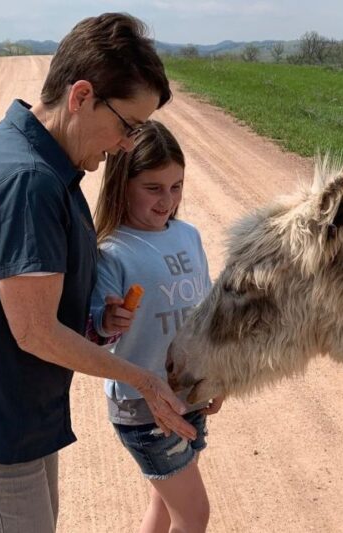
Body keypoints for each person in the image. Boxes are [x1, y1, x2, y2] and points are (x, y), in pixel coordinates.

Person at [0, 13, 195, 533]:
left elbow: (35, 304)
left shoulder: (34, 157)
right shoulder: (27, 181)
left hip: (16, 416)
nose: (126, 145)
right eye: (128, 126)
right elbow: (36, 331)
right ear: (81, 96)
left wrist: (95, 319)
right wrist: (142, 379)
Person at [90, 120, 223, 533]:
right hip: (143, 406)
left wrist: (219, 376)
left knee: (164, 504)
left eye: (176, 186)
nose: (167, 200)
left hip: (189, 394)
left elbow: (206, 314)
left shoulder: (189, 236)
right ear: (122, 184)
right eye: (153, 188)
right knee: (194, 514)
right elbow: (96, 332)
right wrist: (108, 321)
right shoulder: (112, 251)